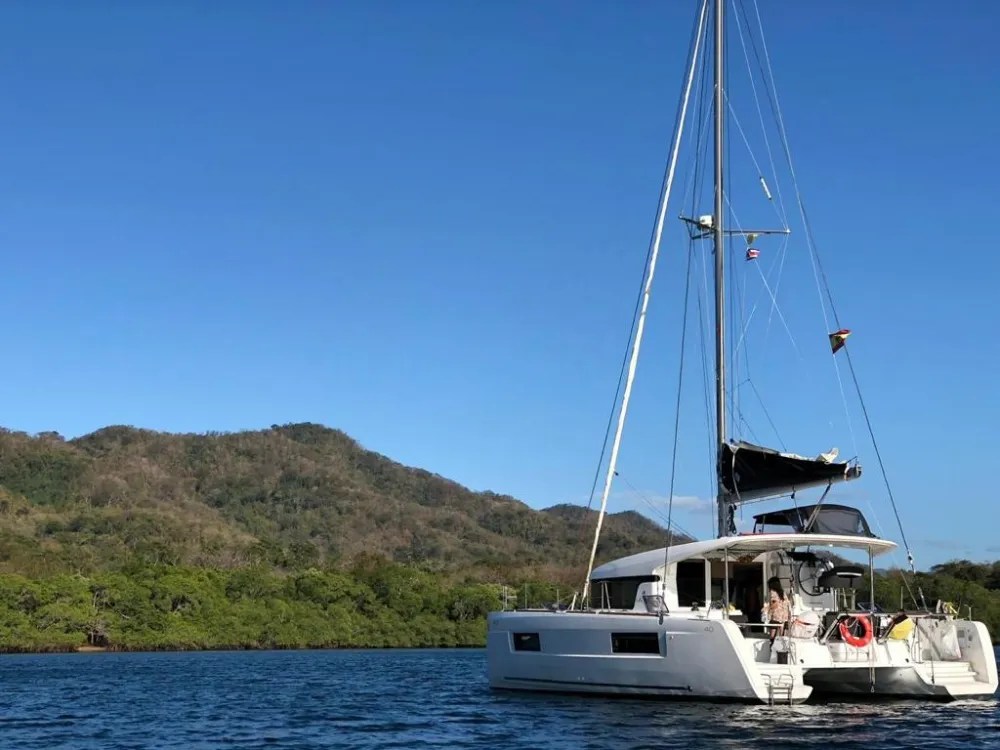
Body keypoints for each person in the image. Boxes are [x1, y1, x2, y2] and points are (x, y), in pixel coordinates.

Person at [763, 577, 791, 641]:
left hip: (776, 617)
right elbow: (787, 604)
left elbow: (775, 604)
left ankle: (771, 647)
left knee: (772, 636)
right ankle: (781, 648)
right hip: (784, 617)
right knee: (782, 636)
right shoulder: (782, 592)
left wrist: (767, 608)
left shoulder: (773, 592)